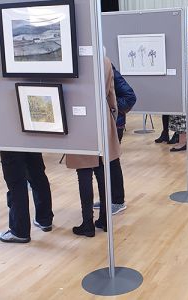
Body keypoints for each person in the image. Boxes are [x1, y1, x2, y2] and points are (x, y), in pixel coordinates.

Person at [66, 56, 124, 237]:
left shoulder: (71, 56)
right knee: (102, 170)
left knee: (84, 173)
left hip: (78, 119)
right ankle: (105, 220)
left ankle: (87, 223)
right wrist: (112, 115)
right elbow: (112, 94)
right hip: (102, 116)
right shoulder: (104, 59)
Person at [93, 65, 136, 211]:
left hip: (114, 124)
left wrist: (111, 110)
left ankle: (118, 201)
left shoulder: (110, 70)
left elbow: (130, 97)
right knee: (101, 164)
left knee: (112, 161)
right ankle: (107, 199)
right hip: (100, 124)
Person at [0, 152, 54, 243]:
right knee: (38, 176)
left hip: (11, 142)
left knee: (16, 183)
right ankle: (45, 220)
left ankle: (19, 231)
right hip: (32, 140)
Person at [112, 64, 137, 143]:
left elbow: (130, 98)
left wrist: (111, 102)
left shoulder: (113, 74)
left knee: (113, 154)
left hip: (115, 123)